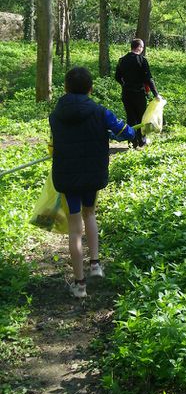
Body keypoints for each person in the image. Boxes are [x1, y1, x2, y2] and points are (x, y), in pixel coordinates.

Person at [49, 66, 136, 298]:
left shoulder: (55, 114)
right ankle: (95, 264)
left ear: (66, 88)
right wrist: (115, 131)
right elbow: (127, 133)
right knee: (90, 214)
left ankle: (79, 285)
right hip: (92, 174)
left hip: (68, 177)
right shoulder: (100, 112)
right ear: (91, 88)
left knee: (75, 228)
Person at [114, 38, 159, 148]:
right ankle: (142, 141)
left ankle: (132, 141)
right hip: (139, 93)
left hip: (126, 94)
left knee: (130, 117)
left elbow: (117, 77)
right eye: (142, 47)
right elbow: (149, 78)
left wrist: (124, 84)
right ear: (139, 47)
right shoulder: (142, 60)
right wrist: (156, 94)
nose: (142, 49)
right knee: (141, 118)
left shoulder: (122, 60)